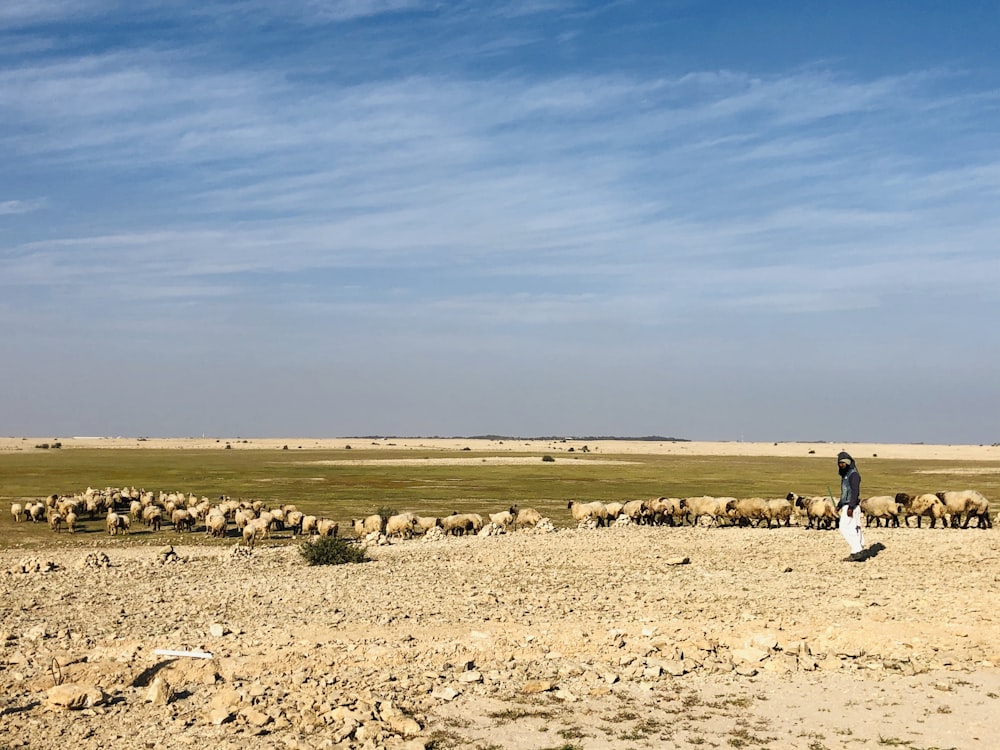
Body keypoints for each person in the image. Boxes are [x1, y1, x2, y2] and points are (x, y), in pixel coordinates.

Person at [836, 451, 866, 561]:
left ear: (848, 463)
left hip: (851, 506)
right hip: (848, 505)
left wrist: (851, 506)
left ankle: (857, 550)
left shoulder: (853, 475)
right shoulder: (846, 475)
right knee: (854, 527)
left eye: (843, 462)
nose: (841, 465)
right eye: (839, 463)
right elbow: (845, 493)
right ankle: (859, 549)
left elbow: (855, 491)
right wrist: (839, 505)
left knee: (844, 528)